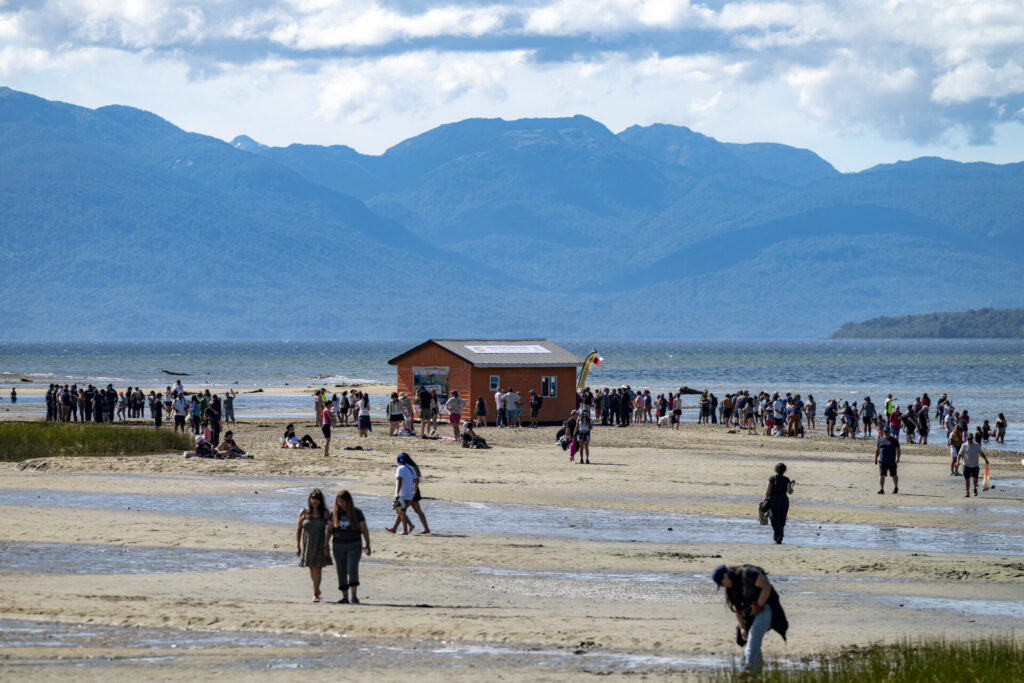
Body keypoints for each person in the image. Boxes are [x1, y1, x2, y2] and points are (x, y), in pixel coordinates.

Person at [711, 564, 788, 673]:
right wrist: (742, 628)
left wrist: (757, 606)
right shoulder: (731, 589)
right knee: (752, 639)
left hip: (767, 608)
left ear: (725, 575)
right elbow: (737, 610)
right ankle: (757, 674)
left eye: (721, 583)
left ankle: (747, 669)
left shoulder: (748, 574)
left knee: (754, 633)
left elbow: (767, 587)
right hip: (751, 616)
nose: (722, 586)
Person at [328, 490, 370, 604]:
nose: (342, 504)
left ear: (349, 502)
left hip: (354, 544)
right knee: (341, 570)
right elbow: (329, 530)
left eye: (344, 502)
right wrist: (325, 544)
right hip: (338, 545)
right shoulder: (334, 514)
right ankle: (345, 597)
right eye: (340, 502)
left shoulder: (357, 513)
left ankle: (354, 596)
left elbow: (364, 529)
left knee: (352, 568)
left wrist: (368, 543)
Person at [295, 489, 331, 602]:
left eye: (317, 498)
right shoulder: (304, 512)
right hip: (308, 544)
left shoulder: (324, 512)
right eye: (313, 498)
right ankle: (317, 589)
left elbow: (330, 529)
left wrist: (327, 545)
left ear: (320, 500)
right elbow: (298, 529)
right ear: (310, 499)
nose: (315, 500)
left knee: (318, 567)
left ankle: (315, 594)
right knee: (311, 567)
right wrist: (298, 545)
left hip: (320, 544)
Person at [386, 453, 430, 535]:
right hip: (412, 491)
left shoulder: (406, 468)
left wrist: (414, 491)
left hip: (408, 491)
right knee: (402, 510)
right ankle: (396, 528)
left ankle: (407, 527)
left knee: (400, 510)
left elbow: (403, 480)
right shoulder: (411, 467)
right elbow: (416, 479)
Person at [764, 463, 793, 544]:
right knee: (782, 518)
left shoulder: (771, 478)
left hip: (773, 500)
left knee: (773, 518)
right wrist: (792, 486)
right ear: (784, 470)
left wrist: (766, 500)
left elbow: (767, 491)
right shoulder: (786, 479)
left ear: (776, 470)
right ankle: (780, 535)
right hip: (783, 500)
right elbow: (789, 492)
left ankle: (777, 536)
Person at [957, 433, 990, 498]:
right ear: (967, 439)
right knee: (967, 479)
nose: (969, 440)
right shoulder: (964, 445)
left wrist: (985, 459)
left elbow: (981, 453)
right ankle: (967, 492)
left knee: (975, 479)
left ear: (973, 438)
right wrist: (957, 462)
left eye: (971, 439)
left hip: (975, 465)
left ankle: (975, 488)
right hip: (966, 465)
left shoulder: (976, 445)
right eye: (968, 439)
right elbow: (960, 454)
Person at [874, 426, 900, 494]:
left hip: (892, 461)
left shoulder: (894, 440)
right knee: (882, 475)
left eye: (887, 432)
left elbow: (898, 449)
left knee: (894, 475)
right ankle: (881, 489)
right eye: (885, 432)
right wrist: (875, 458)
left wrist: (898, 457)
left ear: (890, 432)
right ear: (883, 432)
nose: (886, 433)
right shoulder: (880, 440)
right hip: (882, 461)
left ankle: (896, 487)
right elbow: (877, 450)